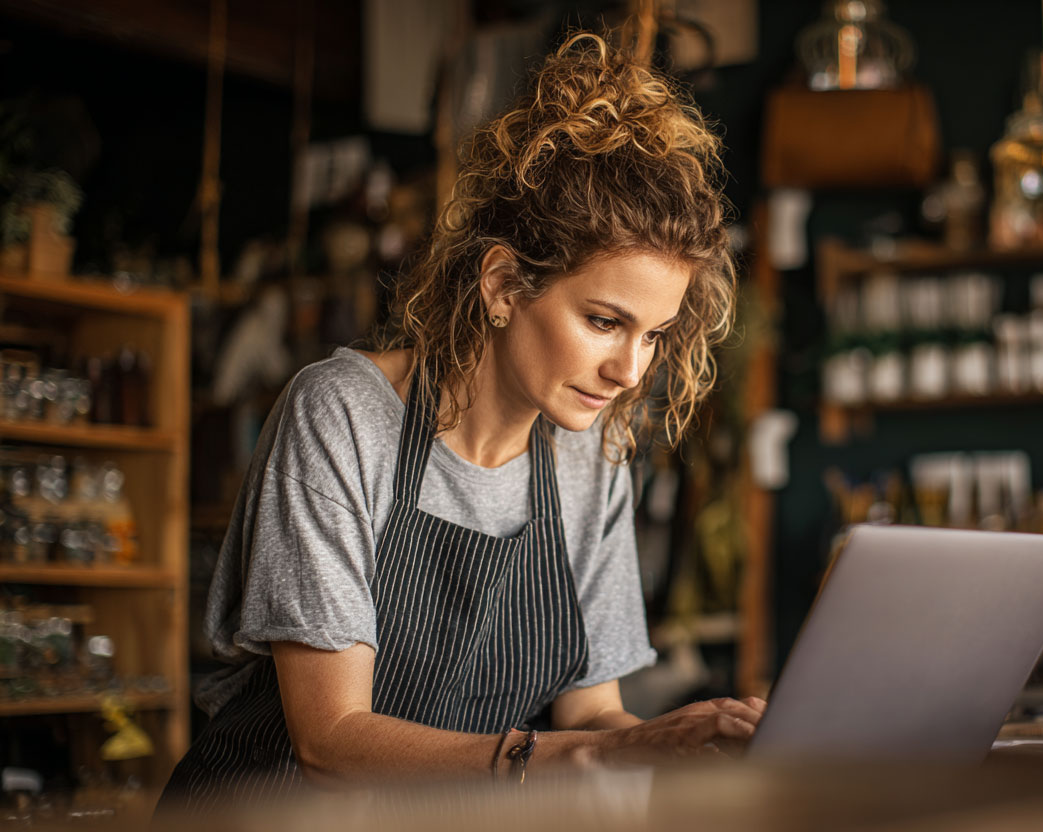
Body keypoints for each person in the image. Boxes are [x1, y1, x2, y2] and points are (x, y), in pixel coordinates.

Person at [160, 32, 764, 810]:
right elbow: (330, 741)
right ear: (505, 283)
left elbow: (592, 713)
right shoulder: (343, 416)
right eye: (605, 322)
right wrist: (580, 758)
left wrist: (666, 751)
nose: (631, 372)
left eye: (654, 335)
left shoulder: (592, 459)